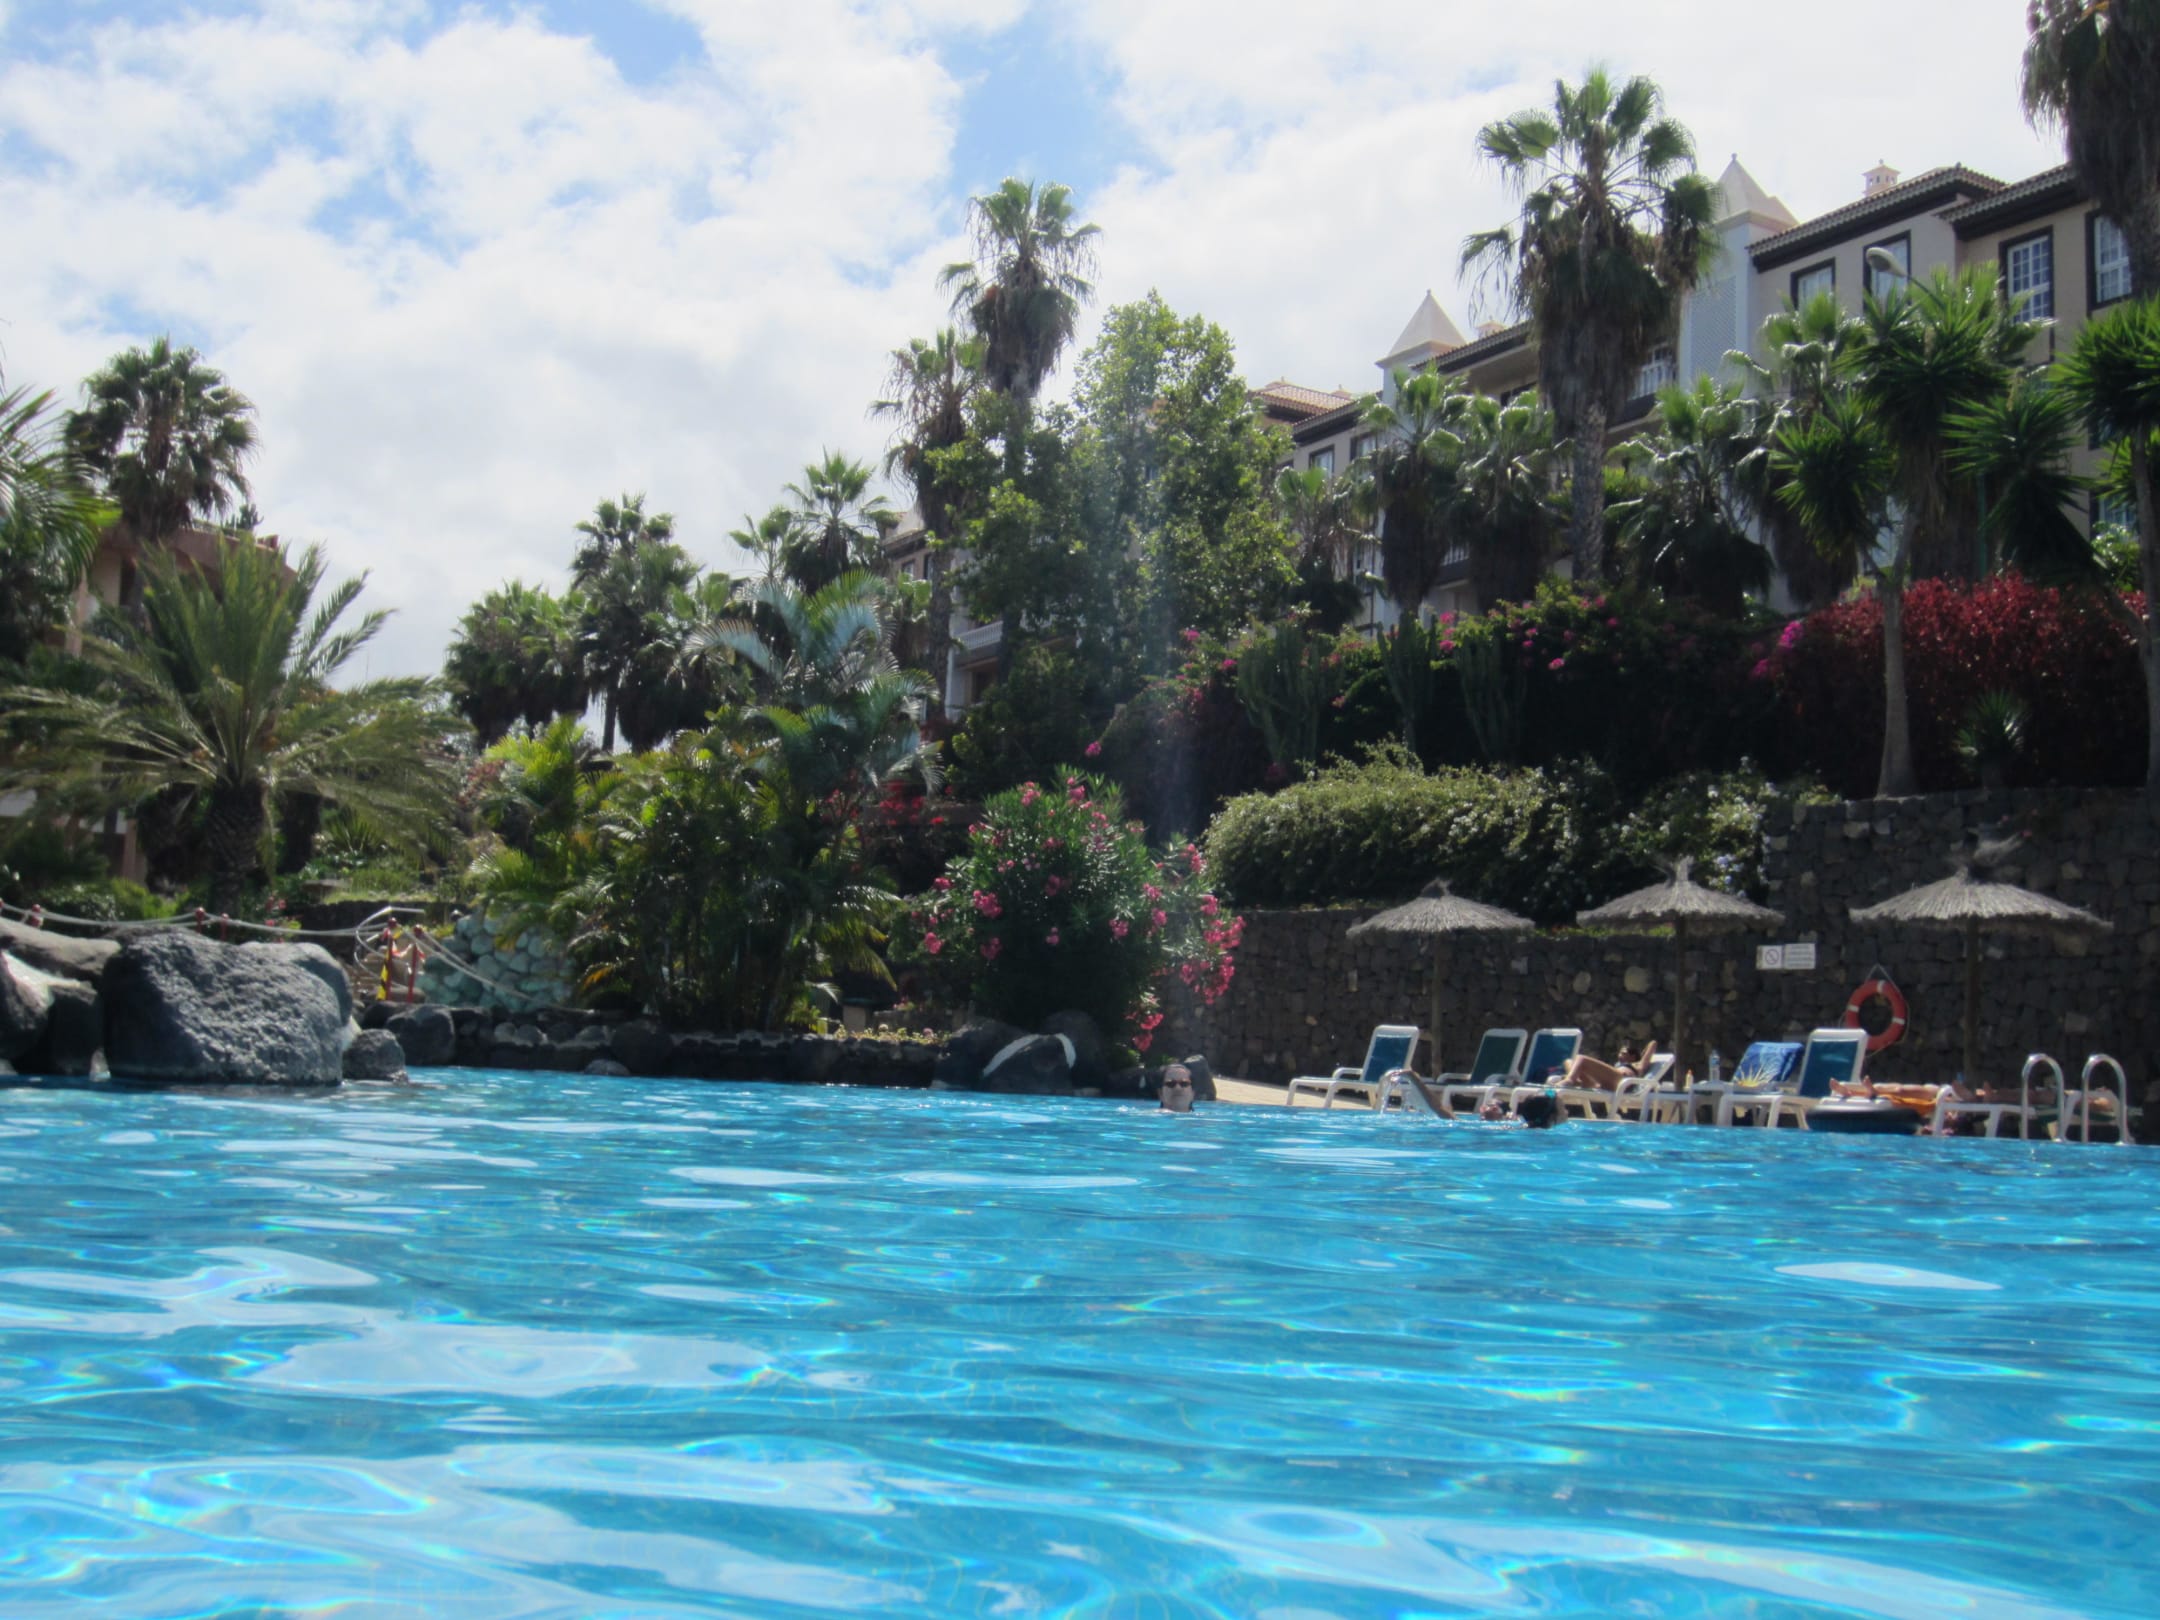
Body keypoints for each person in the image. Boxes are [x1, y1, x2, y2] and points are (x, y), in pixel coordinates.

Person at [1558, 1040, 1659, 1092]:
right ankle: (1578, 1081)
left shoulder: (1640, 1065)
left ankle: (1570, 1080)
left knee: (1581, 1058)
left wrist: (1642, 1055)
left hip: (1621, 1081)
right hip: (1606, 1082)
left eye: (1623, 1053)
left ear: (1633, 1056)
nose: (1620, 1055)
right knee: (1568, 1061)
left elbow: (1653, 1043)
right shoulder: (1618, 1065)